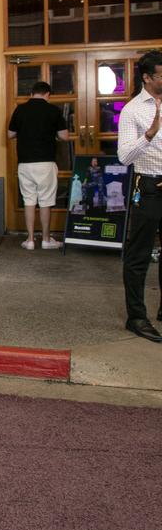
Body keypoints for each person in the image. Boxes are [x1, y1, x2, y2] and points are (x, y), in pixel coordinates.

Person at [117, 50, 162, 342]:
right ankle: (136, 317)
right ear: (147, 77)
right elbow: (123, 157)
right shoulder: (133, 110)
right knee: (139, 256)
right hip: (148, 187)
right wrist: (149, 135)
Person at [7, 81, 69, 250]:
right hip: (45, 162)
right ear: (47, 94)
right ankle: (46, 239)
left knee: (29, 200)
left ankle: (30, 240)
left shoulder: (20, 109)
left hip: (25, 163)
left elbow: (10, 134)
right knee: (45, 201)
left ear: (32, 93)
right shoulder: (53, 110)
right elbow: (64, 136)